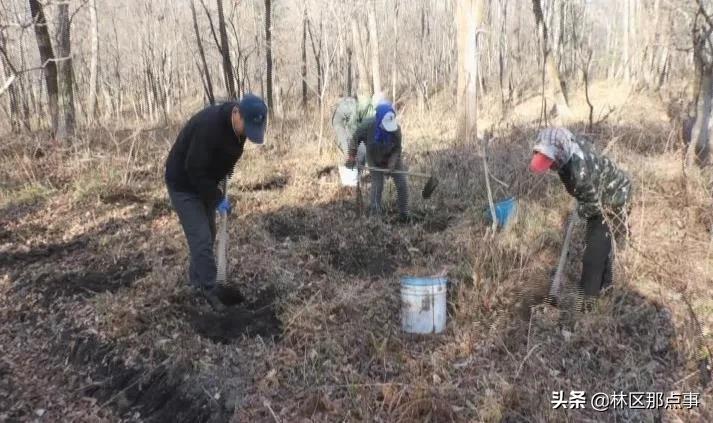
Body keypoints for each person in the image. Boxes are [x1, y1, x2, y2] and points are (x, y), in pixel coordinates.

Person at [165, 94, 268, 310]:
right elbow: (193, 168)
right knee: (201, 237)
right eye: (247, 128)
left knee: (208, 234)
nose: (248, 135)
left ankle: (195, 283)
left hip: (207, 182)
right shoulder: (209, 127)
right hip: (184, 184)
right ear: (236, 113)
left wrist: (222, 180)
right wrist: (216, 198)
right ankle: (210, 290)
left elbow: (224, 159)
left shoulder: (240, 132)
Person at [529, 127, 632, 312]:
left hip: (614, 198)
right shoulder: (564, 154)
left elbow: (593, 205)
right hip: (596, 193)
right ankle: (605, 288)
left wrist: (580, 212)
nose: (549, 166)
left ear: (558, 153)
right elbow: (583, 191)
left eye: (549, 161)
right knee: (601, 246)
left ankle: (587, 308)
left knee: (593, 255)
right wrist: (582, 199)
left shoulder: (578, 169)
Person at [346, 102, 410, 222]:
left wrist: (392, 163)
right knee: (377, 185)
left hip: (391, 155)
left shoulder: (396, 130)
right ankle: (375, 217)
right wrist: (351, 156)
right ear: (379, 120)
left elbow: (397, 149)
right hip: (373, 156)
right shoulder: (367, 126)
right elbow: (355, 139)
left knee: (402, 183)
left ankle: (404, 214)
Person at [331, 94, 380, 168]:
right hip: (339, 121)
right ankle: (351, 171)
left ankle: (358, 169)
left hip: (350, 119)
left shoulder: (372, 111)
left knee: (362, 149)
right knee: (348, 148)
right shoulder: (358, 108)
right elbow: (353, 129)